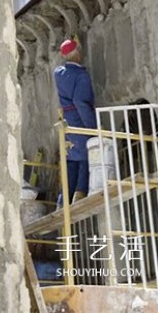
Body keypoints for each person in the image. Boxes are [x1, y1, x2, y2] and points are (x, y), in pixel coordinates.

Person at [54, 39, 97, 207]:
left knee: (71, 159)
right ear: (78, 53)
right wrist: (92, 127)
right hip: (80, 119)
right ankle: (80, 194)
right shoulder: (81, 76)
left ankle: (62, 202)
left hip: (66, 119)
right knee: (87, 156)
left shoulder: (58, 73)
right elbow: (81, 102)